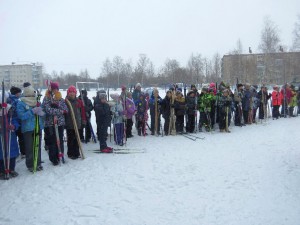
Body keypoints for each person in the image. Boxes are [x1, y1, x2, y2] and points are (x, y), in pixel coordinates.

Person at [17, 83, 44, 172]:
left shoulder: (36, 101)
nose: (33, 95)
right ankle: (30, 164)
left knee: (38, 146)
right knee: (29, 147)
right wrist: (32, 112)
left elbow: (42, 112)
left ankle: (38, 162)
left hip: (37, 126)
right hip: (28, 128)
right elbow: (21, 116)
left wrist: (42, 113)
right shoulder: (21, 102)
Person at [42, 82, 68, 165]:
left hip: (60, 123)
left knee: (60, 140)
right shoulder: (46, 98)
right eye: (53, 89)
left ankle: (60, 155)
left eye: (56, 89)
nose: (54, 91)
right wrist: (59, 111)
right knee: (52, 141)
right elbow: (48, 110)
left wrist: (59, 110)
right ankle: (53, 158)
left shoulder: (60, 99)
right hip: (50, 124)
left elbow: (66, 110)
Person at [0, 92, 20, 179]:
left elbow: (15, 120)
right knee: (1, 153)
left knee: (11, 152)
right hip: (1, 136)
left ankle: (11, 169)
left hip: (10, 135)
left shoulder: (10, 110)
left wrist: (14, 126)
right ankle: (2, 170)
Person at [65, 86, 86, 159]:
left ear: (75, 93)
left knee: (77, 139)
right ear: (68, 93)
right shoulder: (66, 102)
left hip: (78, 123)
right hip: (69, 124)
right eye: (70, 92)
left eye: (73, 92)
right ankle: (70, 153)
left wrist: (83, 121)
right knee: (70, 139)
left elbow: (82, 112)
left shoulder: (79, 101)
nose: (72, 93)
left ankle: (76, 153)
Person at [8, 86, 25, 157]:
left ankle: (19, 152)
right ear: (16, 93)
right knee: (20, 138)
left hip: (15, 122)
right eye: (19, 93)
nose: (20, 94)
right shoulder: (14, 101)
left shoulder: (13, 100)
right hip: (16, 122)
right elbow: (15, 112)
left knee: (18, 138)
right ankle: (22, 152)